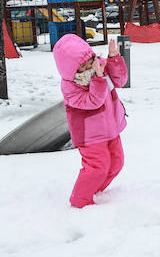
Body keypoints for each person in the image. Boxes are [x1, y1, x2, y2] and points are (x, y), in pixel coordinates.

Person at [53, 34, 129, 208]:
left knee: (117, 163)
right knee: (97, 167)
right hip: (90, 135)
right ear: (71, 71)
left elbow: (120, 81)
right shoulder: (71, 87)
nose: (90, 67)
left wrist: (114, 59)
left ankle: (95, 191)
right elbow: (94, 101)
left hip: (110, 127)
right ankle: (80, 201)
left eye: (91, 60)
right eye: (84, 66)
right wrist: (99, 79)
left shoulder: (99, 66)